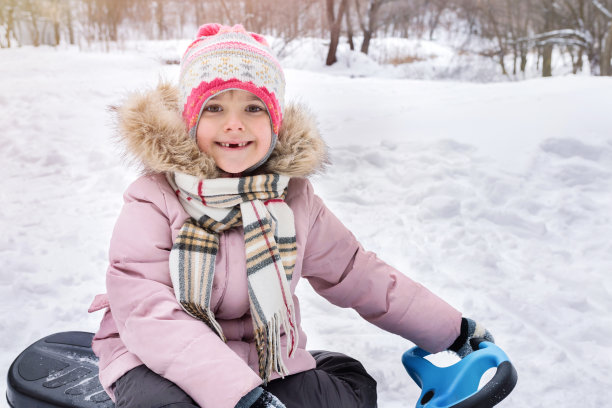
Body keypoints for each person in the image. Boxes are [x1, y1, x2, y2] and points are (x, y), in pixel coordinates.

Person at [88, 23, 494, 408]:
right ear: (190, 119)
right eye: (214, 107)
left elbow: (357, 272)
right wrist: (238, 396)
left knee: (347, 393)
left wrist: (452, 331)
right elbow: (148, 312)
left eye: (252, 107)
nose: (234, 124)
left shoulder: (292, 199)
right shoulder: (155, 198)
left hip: (260, 355)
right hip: (152, 355)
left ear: (275, 121)